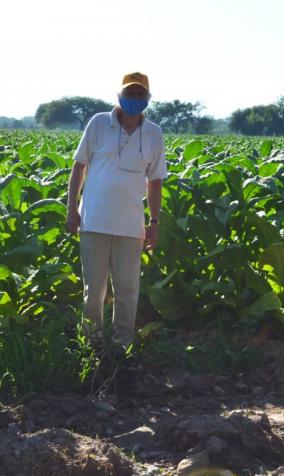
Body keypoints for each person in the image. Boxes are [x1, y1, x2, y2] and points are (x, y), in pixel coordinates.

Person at [66, 72, 167, 355]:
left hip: (130, 225)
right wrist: (71, 209)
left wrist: (155, 222)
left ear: (147, 99)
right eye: (129, 94)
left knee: (128, 290)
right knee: (93, 290)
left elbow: (155, 181)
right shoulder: (99, 124)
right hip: (94, 220)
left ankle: (123, 346)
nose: (134, 99)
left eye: (139, 95)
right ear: (119, 95)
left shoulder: (154, 133)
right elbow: (78, 168)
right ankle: (92, 345)